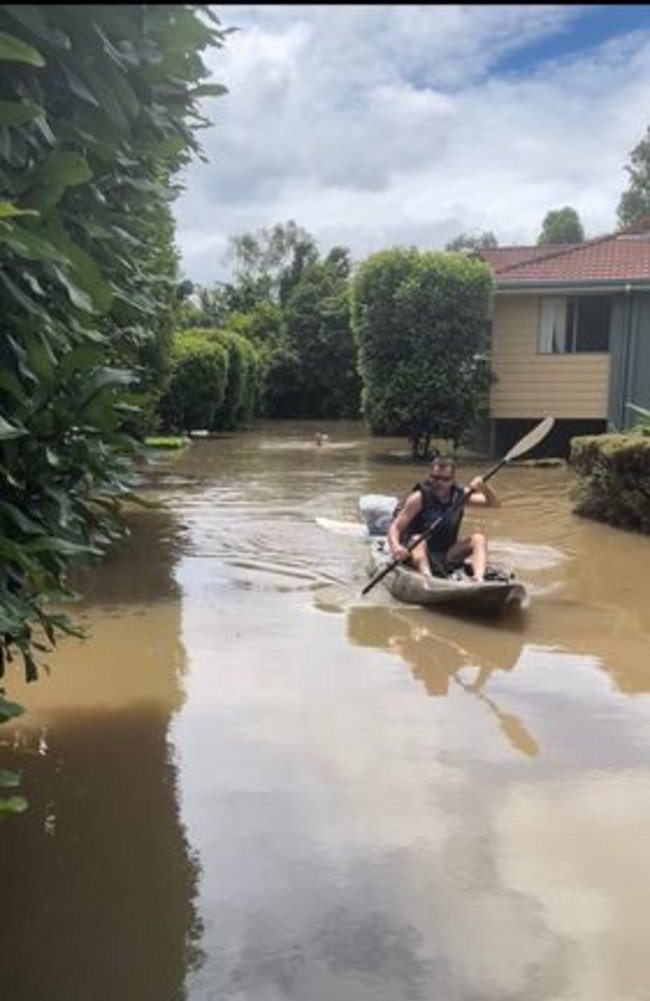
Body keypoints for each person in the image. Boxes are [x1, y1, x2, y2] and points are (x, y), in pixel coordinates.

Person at [386, 456, 499, 582]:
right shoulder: (418, 498)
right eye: (435, 478)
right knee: (417, 539)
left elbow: (493, 504)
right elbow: (395, 527)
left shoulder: (460, 495)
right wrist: (396, 547)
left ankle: (478, 577)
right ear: (430, 477)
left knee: (478, 538)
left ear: (453, 480)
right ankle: (427, 578)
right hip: (417, 552)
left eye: (445, 479)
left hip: (446, 554)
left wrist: (484, 488)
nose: (439, 483)